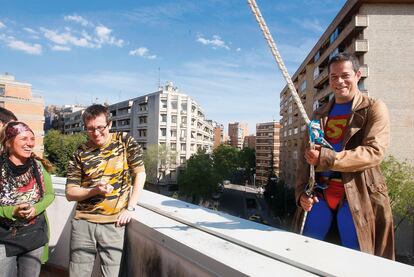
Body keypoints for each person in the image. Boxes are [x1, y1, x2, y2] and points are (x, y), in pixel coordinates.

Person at [293, 52, 394, 259]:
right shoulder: (319, 115)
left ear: (357, 75)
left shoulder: (373, 108)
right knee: (305, 256)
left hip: (358, 196)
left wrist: (328, 158)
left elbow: (374, 152)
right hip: (319, 195)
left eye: (345, 75)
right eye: (333, 77)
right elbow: (306, 160)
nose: (339, 81)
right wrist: (300, 195)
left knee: (358, 262)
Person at [66, 104, 146, 277]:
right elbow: (70, 193)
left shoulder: (125, 142)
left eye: (100, 127)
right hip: (83, 223)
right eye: (90, 129)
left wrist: (130, 207)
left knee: (112, 274)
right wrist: (94, 190)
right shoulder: (80, 153)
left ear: (109, 124)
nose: (96, 133)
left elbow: (140, 174)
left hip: (114, 223)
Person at [0, 121, 55, 277]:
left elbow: (49, 195)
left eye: (32, 139)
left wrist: (35, 209)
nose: (30, 143)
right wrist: (12, 211)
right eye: (24, 139)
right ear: (9, 143)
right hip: (4, 238)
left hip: (33, 235)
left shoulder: (38, 166)